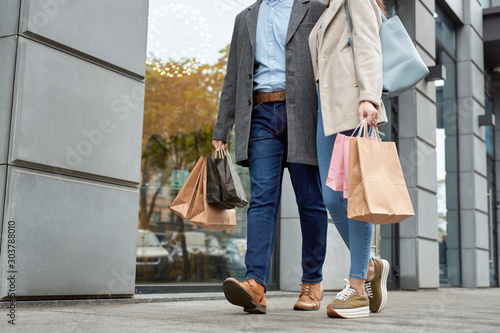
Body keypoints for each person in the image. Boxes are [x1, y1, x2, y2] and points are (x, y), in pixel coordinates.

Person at [212, 0, 328, 314]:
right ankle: (256, 285)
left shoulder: (314, 9)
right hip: (260, 114)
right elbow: (233, 75)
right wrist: (222, 127)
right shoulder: (245, 18)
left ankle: (312, 281)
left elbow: (329, 59)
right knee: (262, 198)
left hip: (303, 113)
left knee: (310, 199)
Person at [309, 0, 390, 319]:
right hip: (327, 112)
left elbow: (369, 44)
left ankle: (357, 287)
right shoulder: (327, 9)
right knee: (331, 197)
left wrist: (369, 96)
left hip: (353, 107)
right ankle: (369, 265)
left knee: (354, 195)